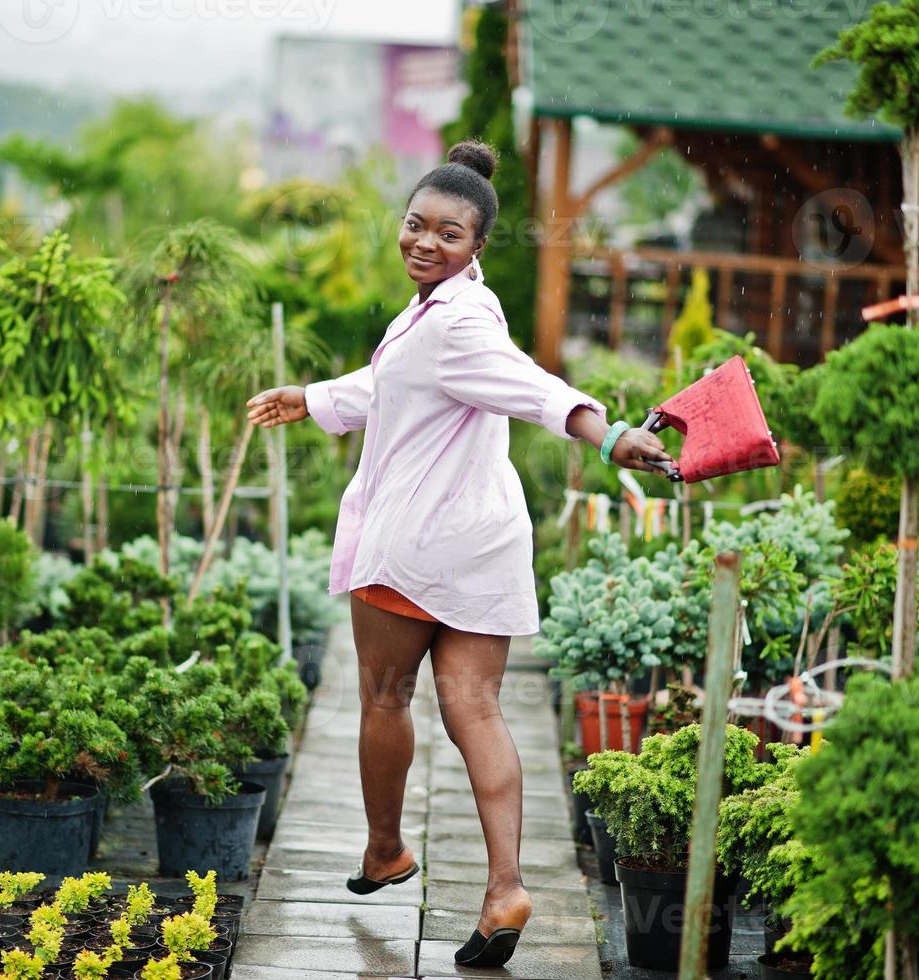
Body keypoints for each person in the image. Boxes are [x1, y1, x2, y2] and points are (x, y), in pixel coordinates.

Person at [246, 140, 671, 969]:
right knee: (475, 708)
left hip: (414, 543)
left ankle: (383, 850)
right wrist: (315, 398)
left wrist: (608, 433)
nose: (423, 243)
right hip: (483, 541)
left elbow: (531, 389)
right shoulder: (450, 309)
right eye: (414, 226)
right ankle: (504, 885)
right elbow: (408, 385)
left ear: (477, 245)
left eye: (447, 234)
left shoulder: (461, 320)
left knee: (382, 695)